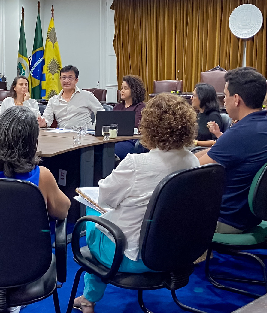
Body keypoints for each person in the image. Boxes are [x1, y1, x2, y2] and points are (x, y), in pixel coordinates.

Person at [73, 93, 199, 313]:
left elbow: (105, 199)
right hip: (173, 253)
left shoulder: (135, 164)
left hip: (130, 257)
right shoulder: (193, 160)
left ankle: (89, 298)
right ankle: (88, 297)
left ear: (148, 125)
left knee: (92, 221)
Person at [196, 67, 267, 234]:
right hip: (254, 214)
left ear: (236, 99)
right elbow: (216, 150)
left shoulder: (239, 133)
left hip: (227, 219)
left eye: (225, 95)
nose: (223, 100)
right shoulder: (260, 124)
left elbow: (193, 167)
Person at [37, 65, 104, 129]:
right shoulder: (53, 100)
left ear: (76, 80)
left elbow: (101, 113)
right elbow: (47, 119)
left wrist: (95, 129)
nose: (66, 81)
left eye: (70, 77)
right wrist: (43, 123)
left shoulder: (87, 96)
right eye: (64, 77)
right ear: (60, 79)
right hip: (63, 135)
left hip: (84, 135)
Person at [113, 75, 146, 159]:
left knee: (110, 151)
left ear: (134, 90)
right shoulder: (117, 107)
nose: (122, 91)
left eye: (125, 88)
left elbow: (136, 125)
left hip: (131, 141)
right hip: (114, 139)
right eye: (121, 88)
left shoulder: (140, 107)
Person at [191, 83, 223, 147]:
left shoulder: (213, 116)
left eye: (194, 96)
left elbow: (216, 141)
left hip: (205, 150)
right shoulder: (199, 114)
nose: (191, 98)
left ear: (202, 97)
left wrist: (195, 142)